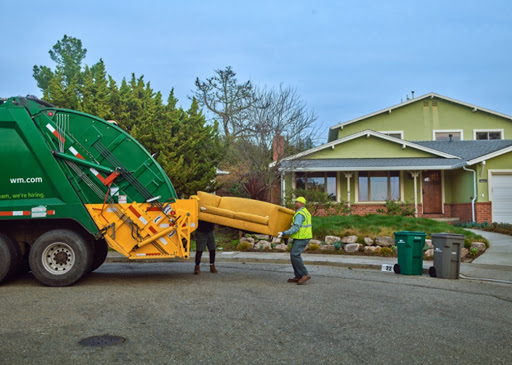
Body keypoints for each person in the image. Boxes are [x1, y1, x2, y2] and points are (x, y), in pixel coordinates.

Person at [278, 197, 312, 285]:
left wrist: (284, 233)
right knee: (294, 255)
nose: (295, 203)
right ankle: (298, 275)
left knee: (295, 255)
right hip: (303, 237)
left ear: (301, 203)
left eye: (296, 202)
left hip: (302, 238)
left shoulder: (300, 214)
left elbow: (296, 228)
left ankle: (304, 274)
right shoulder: (305, 212)